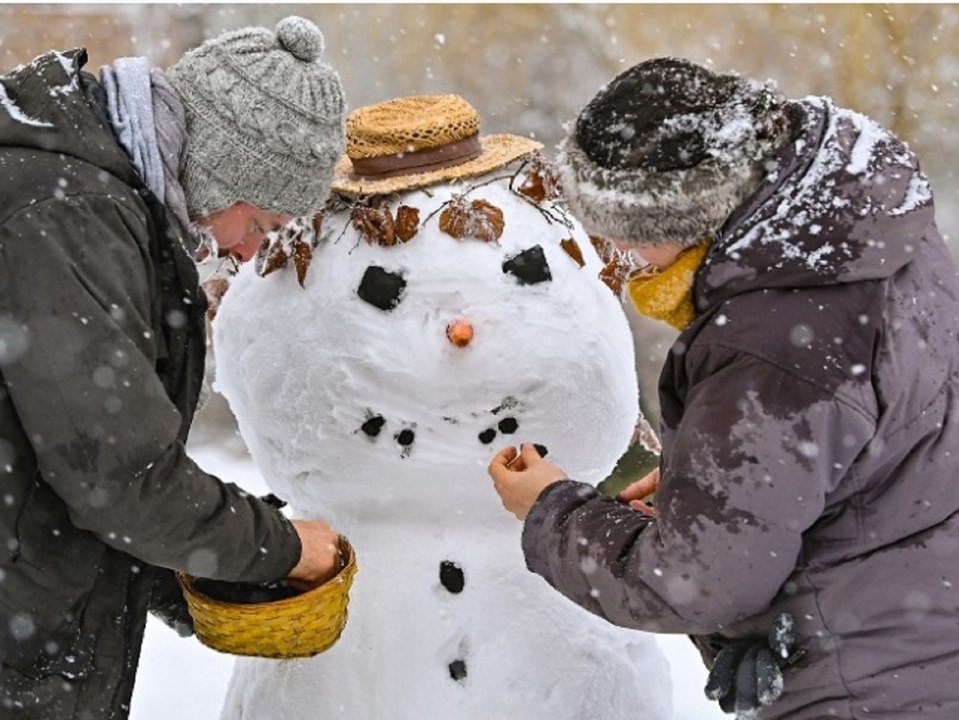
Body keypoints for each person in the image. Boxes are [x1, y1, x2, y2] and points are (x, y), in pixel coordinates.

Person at [489, 56, 959, 720]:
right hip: (921, 624)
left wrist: (552, 511)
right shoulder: (854, 225)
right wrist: (725, 489)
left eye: (625, 236)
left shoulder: (770, 341)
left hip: (869, 684)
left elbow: (693, 584)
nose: (619, 254)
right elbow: (882, 432)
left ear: (673, 223)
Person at [0, 16, 345, 719]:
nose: (248, 252)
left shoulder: (94, 198)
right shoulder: (70, 215)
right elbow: (116, 478)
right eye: (261, 224)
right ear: (220, 171)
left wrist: (202, 567)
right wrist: (281, 550)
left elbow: (64, 466)